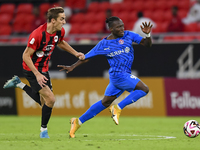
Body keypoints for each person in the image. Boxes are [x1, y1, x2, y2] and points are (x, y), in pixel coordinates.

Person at [58, 16, 153, 138]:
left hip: (120, 76)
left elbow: (147, 44)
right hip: (119, 75)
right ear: (111, 28)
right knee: (144, 89)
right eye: (118, 27)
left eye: (122, 25)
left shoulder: (129, 35)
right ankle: (118, 108)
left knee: (105, 102)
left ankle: (77, 122)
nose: (122, 28)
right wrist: (73, 66)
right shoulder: (104, 44)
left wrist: (148, 35)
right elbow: (87, 57)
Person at [3, 7, 84, 138]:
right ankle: (43, 131)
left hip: (44, 69)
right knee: (51, 99)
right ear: (53, 20)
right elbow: (25, 56)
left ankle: (19, 84)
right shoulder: (37, 34)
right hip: (31, 69)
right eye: (61, 19)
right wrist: (37, 74)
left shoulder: (59, 32)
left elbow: (61, 42)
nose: (64, 21)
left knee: (44, 102)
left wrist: (75, 53)